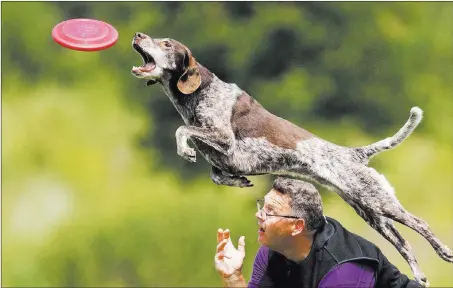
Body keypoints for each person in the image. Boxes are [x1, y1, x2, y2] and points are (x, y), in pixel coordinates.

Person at [214, 177, 423, 288]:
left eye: (271, 211)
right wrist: (233, 278)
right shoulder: (273, 250)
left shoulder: (345, 270)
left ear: (297, 226)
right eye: (263, 206)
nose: (259, 215)